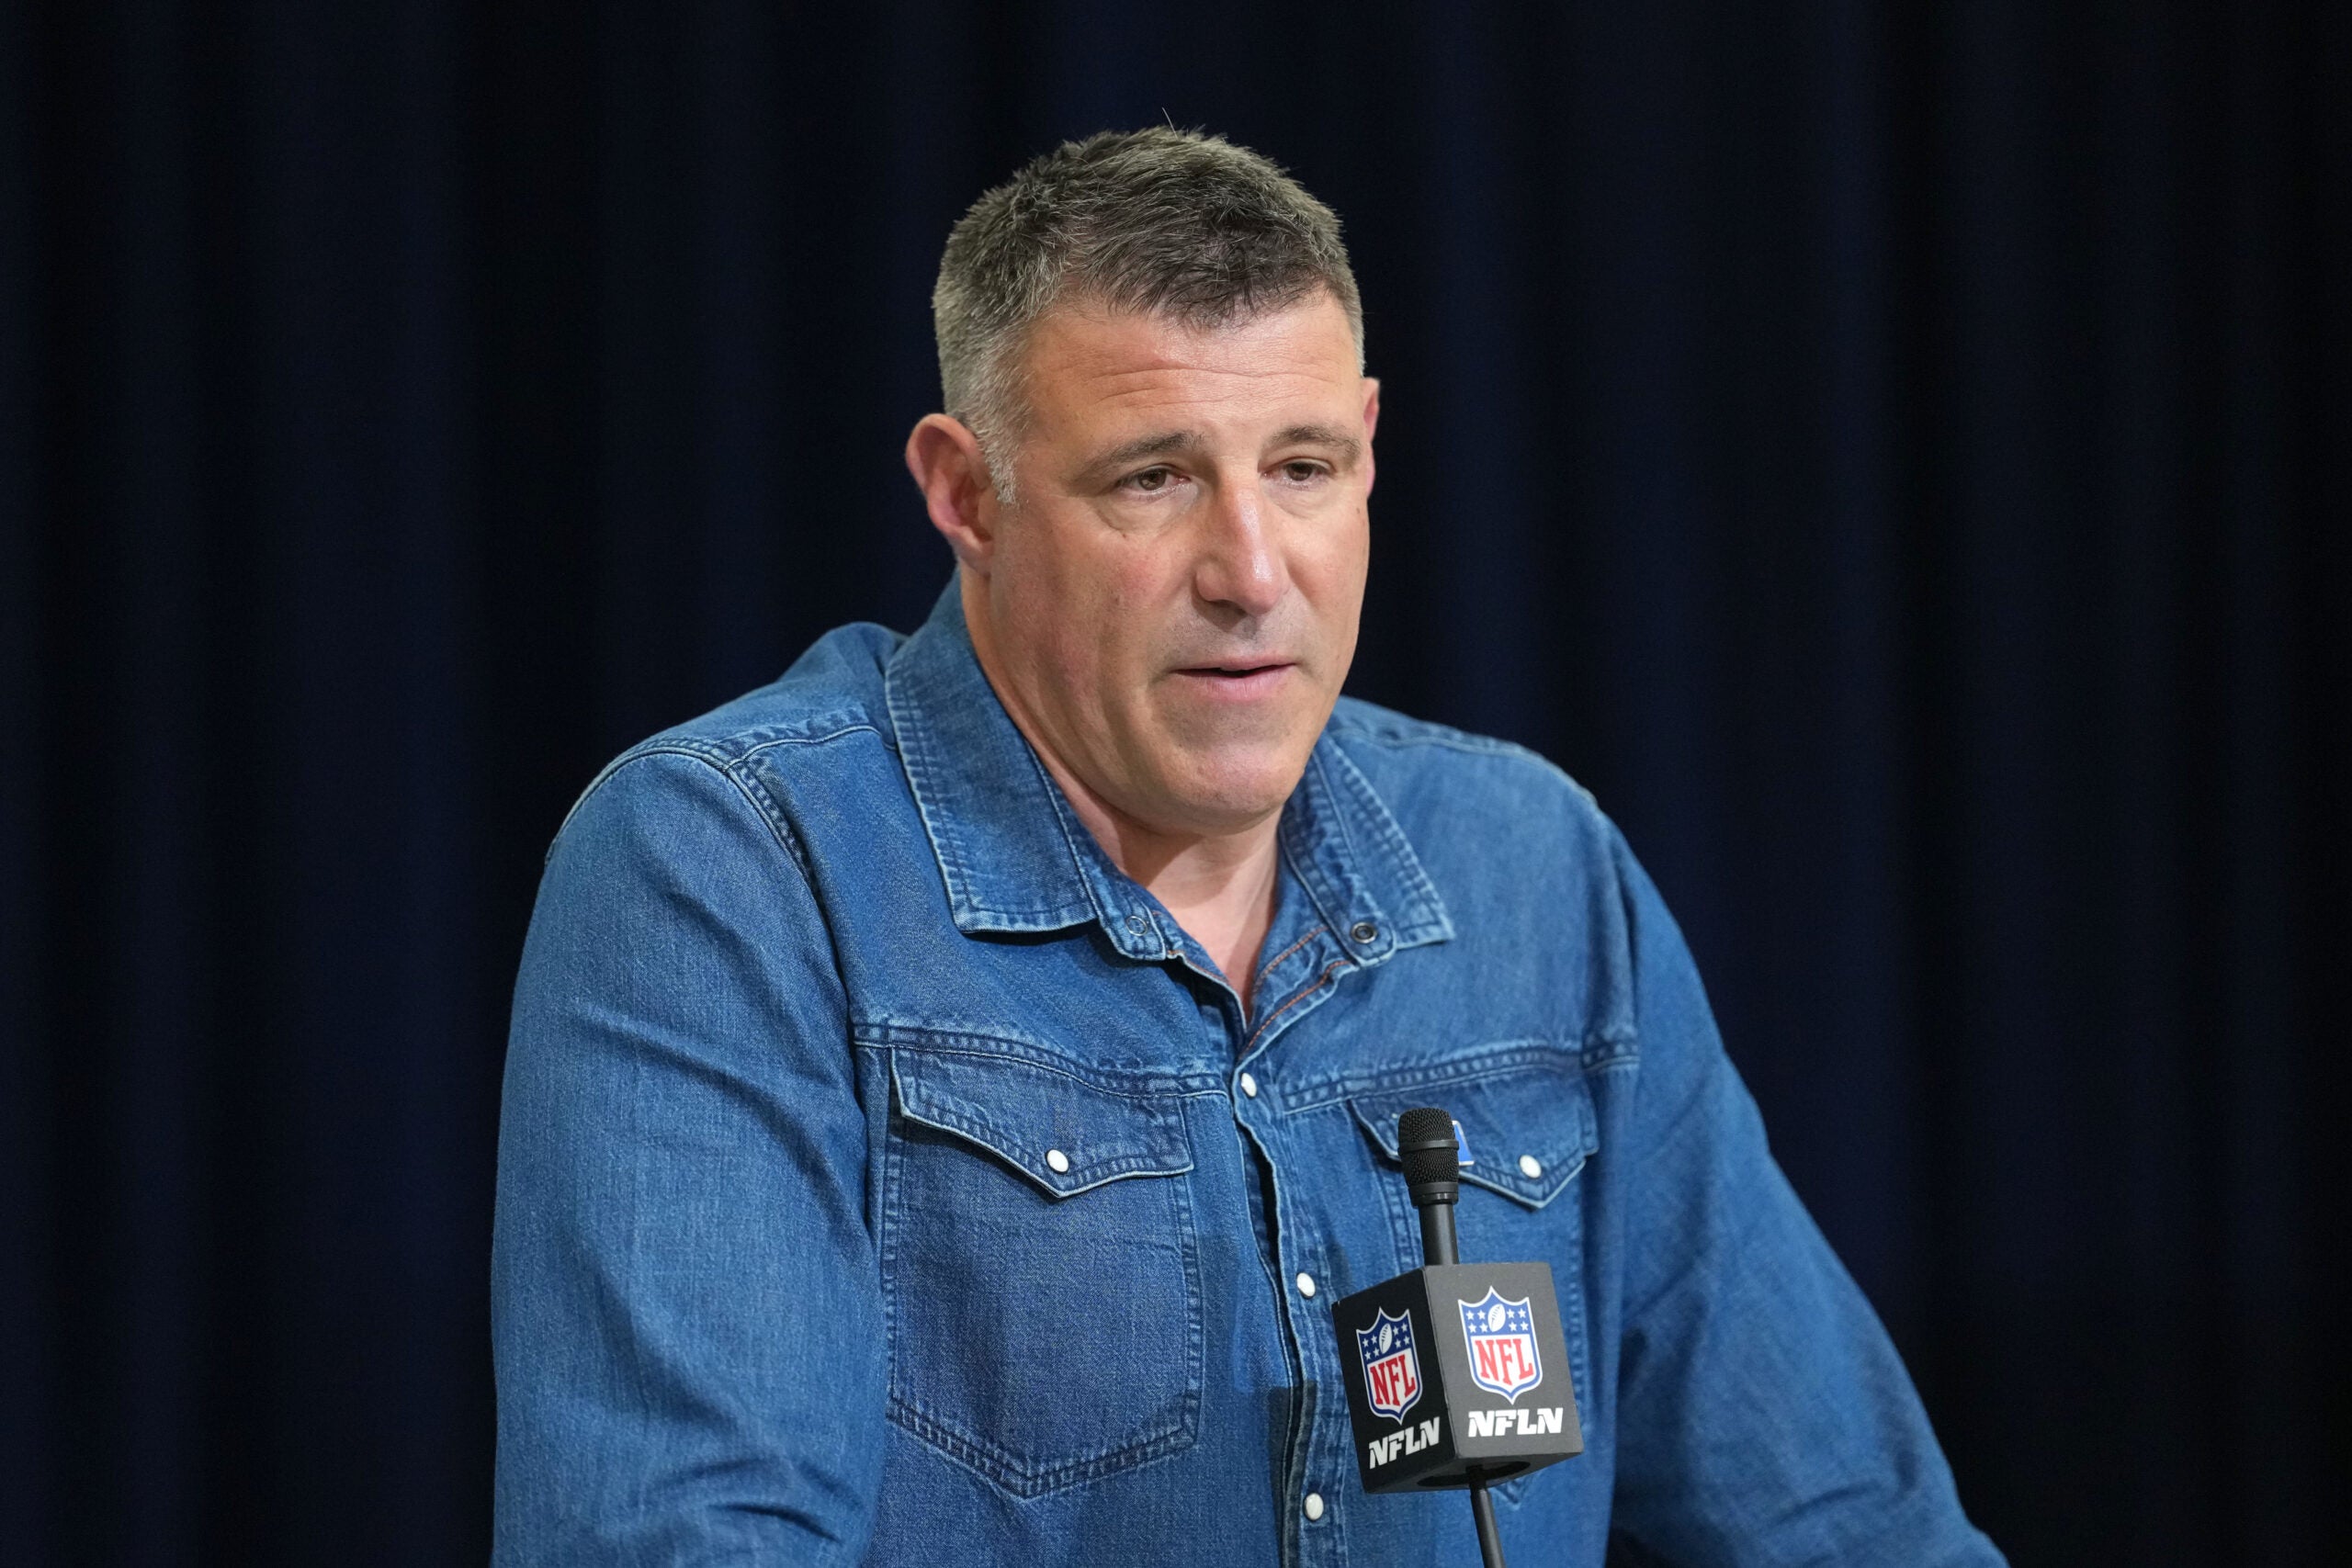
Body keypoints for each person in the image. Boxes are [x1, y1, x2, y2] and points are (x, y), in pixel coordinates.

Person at [492, 128, 2004, 1566]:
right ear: (967, 493)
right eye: (1154, 478)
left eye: (1300, 467)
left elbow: (1847, 1521)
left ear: (1368, 446)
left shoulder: (1531, 873)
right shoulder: (740, 870)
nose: (1252, 572)